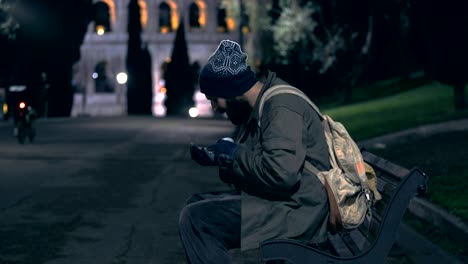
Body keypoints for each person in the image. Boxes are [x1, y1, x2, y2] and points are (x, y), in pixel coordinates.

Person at [178, 39, 331, 264]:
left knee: (196, 218)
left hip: (301, 211)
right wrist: (222, 160)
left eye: (214, 99)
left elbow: (281, 175)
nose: (215, 108)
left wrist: (233, 154)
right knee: (195, 203)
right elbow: (258, 170)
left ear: (230, 91)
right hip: (288, 202)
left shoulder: (281, 106)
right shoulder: (261, 108)